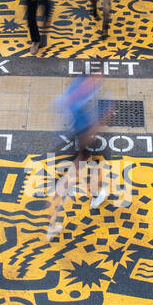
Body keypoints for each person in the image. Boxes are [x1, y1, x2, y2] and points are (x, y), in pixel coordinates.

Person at [47, 76, 111, 239]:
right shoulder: (82, 97)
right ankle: (51, 223)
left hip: (78, 134)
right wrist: (93, 131)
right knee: (72, 176)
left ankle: (96, 194)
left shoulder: (77, 88)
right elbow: (88, 123)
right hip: (83, 136)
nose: (99, 79)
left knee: (89, 166)